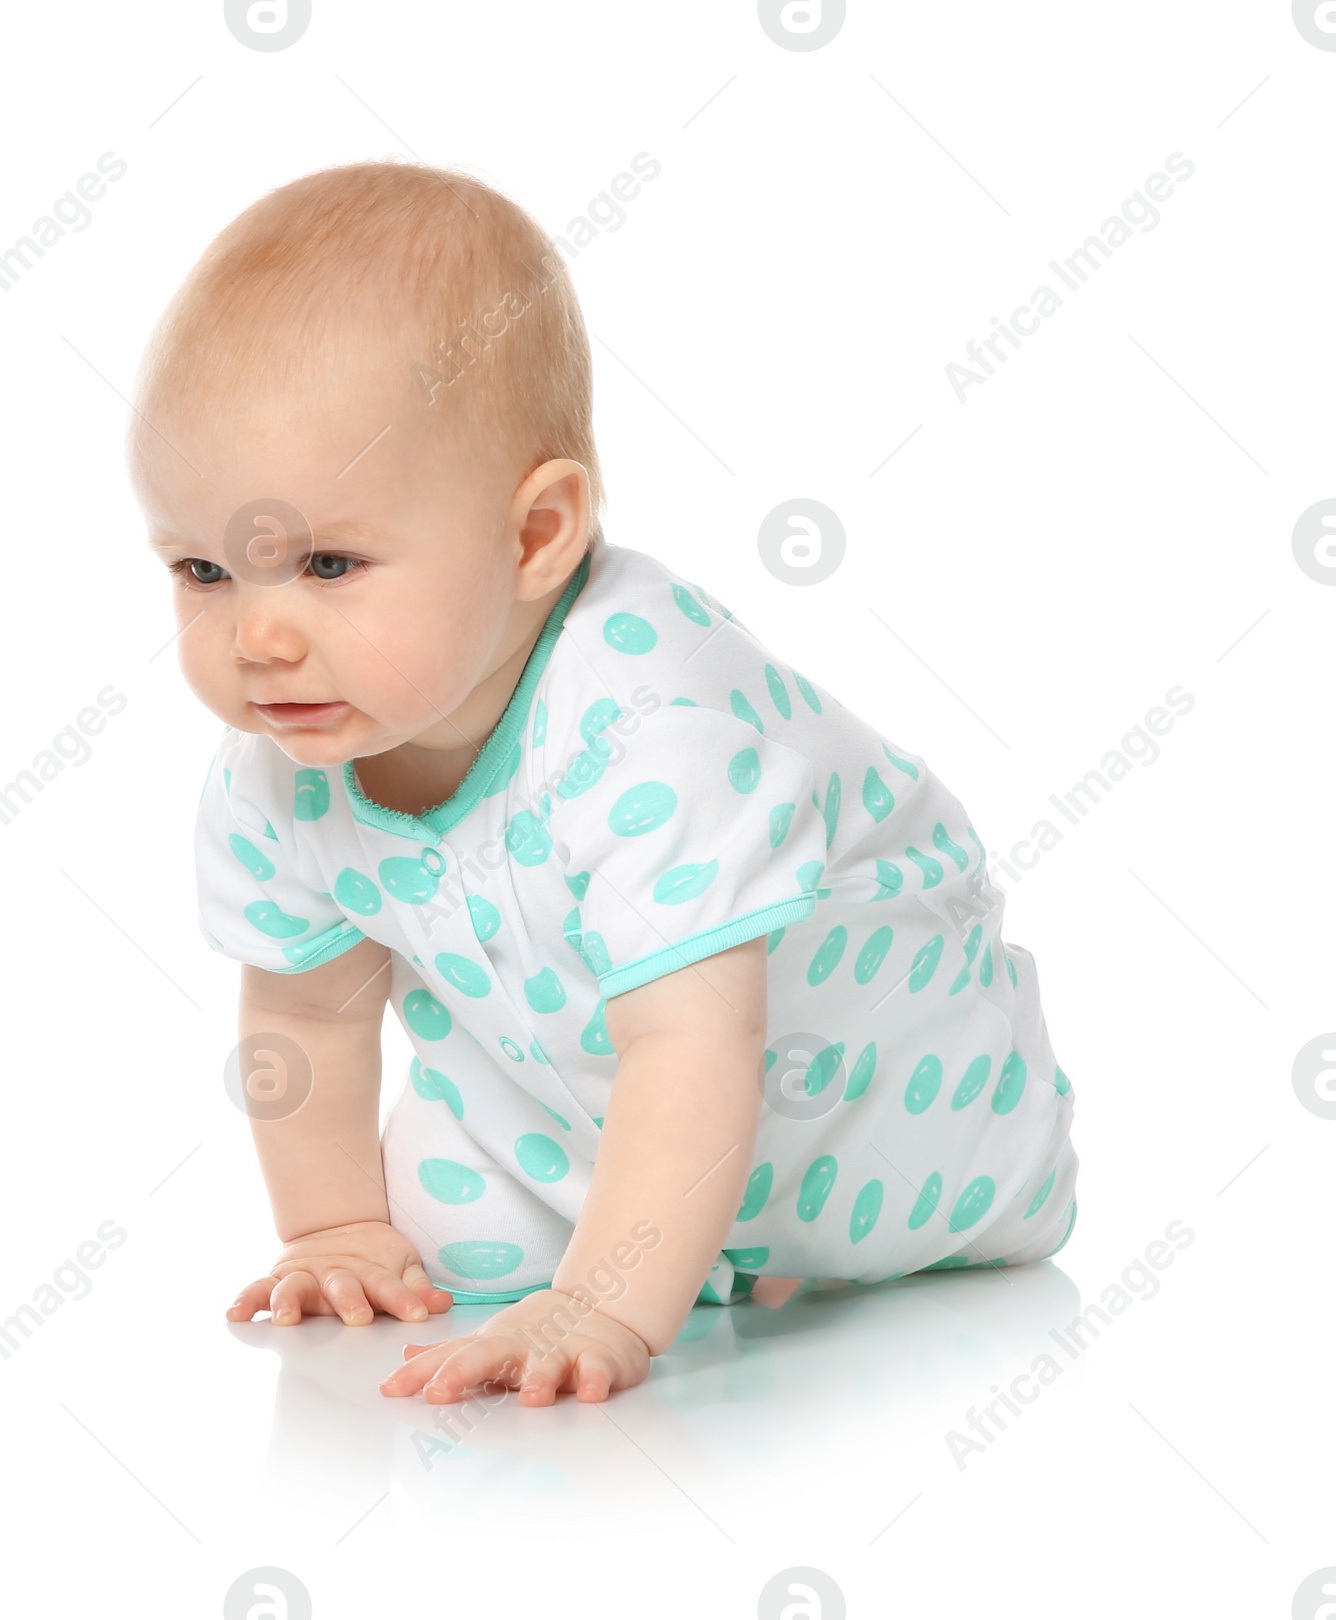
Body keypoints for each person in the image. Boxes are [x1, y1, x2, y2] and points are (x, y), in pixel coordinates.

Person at [126, 158, 1079, 1408]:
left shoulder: (651, 722)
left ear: (535, 537)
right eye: (204, 572)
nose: (257, 638)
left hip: (867, 1095)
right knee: (444, 1248)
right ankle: (634, 1231)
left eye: (330, 563)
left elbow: (693, 1038)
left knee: (848, 1194)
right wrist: (333, 1231)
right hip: (563, 1091)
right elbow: (305, 1018)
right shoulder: (284, 762)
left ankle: (709, 1250)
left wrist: (605, 1306)